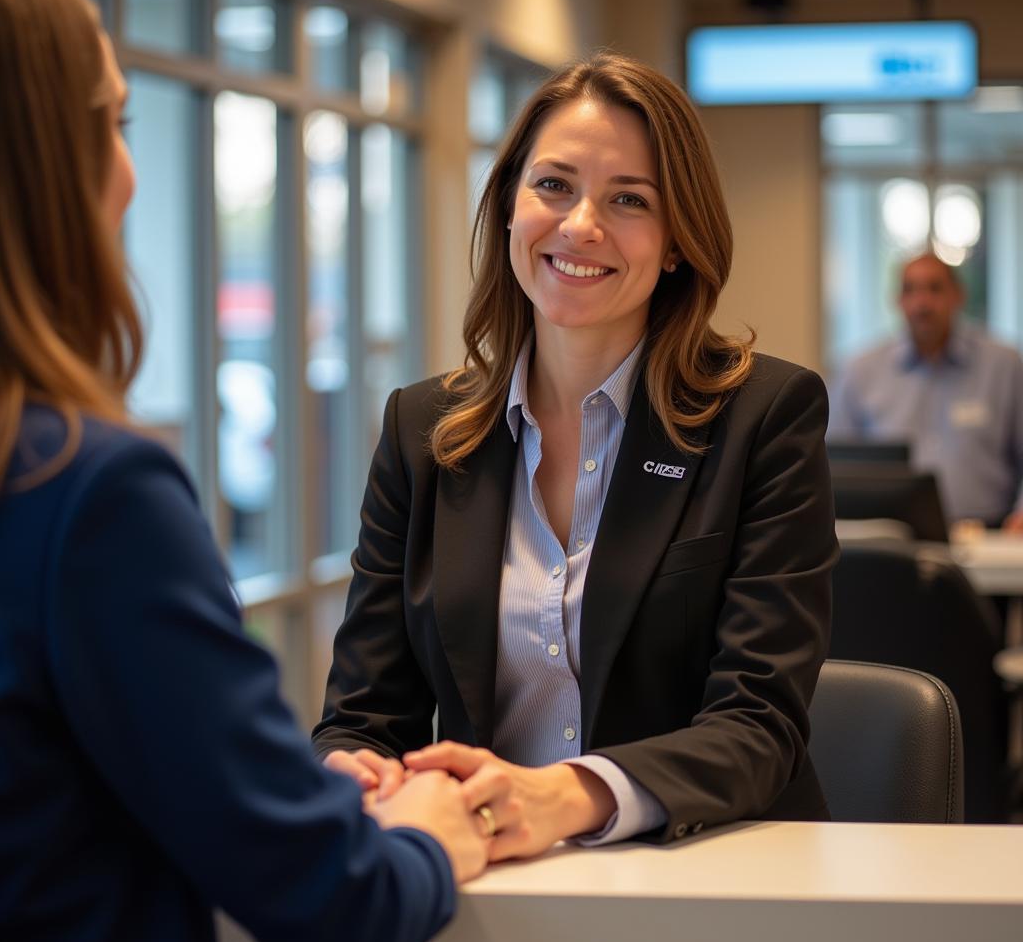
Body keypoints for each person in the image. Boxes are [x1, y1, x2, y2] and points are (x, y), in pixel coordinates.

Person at [0, 0, 490, 942]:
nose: (131, 170)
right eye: (118, 124)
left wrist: (278, 786)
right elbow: (329, 897)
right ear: (58, 164)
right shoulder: (87, 493)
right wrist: (430, 837)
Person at [313, 52, 837, 855]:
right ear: (510, 208)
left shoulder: (765, 418)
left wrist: (566, 796)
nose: (580, 225)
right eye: (553, 185)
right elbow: (363, 715)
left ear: (675, 243)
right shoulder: (421, 430)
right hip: (494, 877)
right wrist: (361, 774)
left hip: (716, 876)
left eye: (629, 199)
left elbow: (758, 726)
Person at [829, 252, 1023, 529]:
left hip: (991, 536)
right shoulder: (860, 371)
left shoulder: (1004, 366)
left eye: (934, 289)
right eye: (910, 290)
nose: (922, 303)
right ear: (897, 300)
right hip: (892, 538)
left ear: (958, 295)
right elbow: (835, 465)